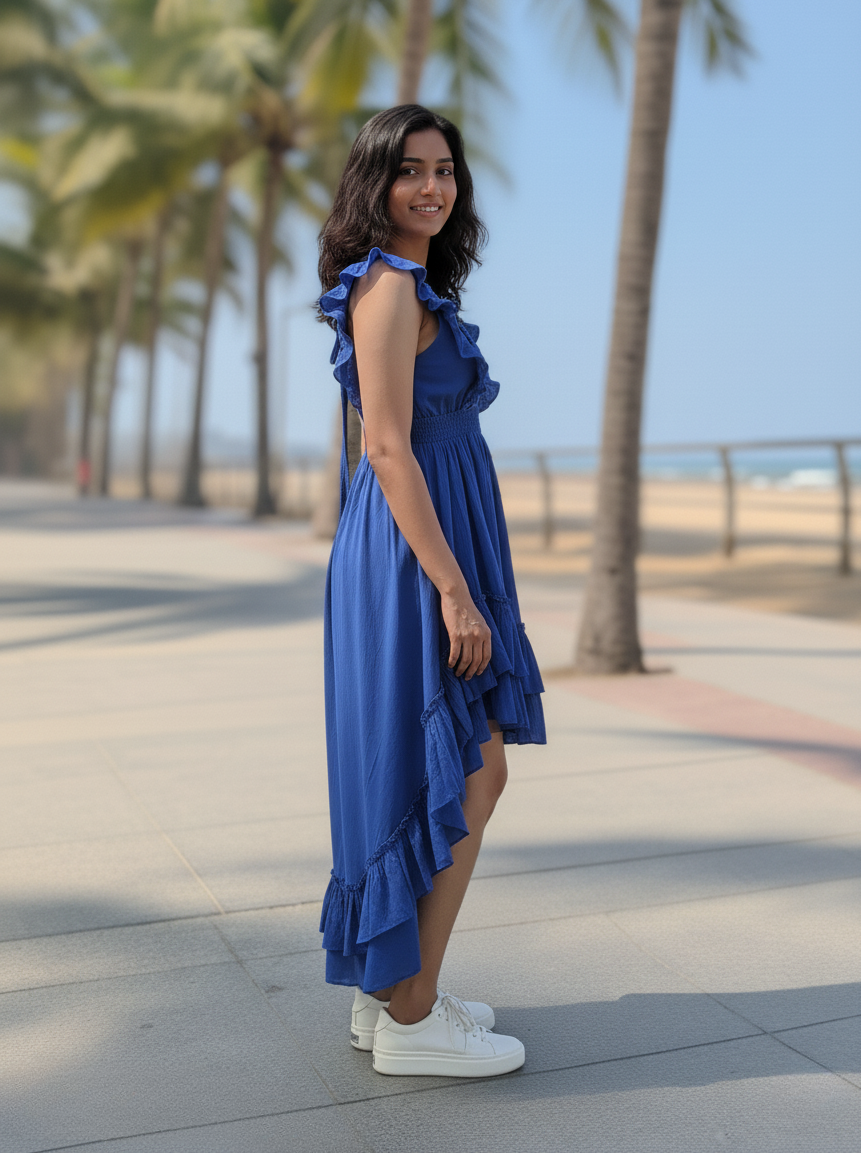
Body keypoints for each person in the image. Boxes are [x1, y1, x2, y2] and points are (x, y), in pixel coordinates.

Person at [317, 104, 546, 1078]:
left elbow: (372, 445)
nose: (432, 187)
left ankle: (393, 991)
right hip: (422, 554)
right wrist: (453, 590)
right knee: (469, 768)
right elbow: (384, 445)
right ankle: (413, 1015)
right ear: (376, 180)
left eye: (444, 169)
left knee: (431, 764)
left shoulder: (397, 285)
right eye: (410, 170)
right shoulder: (390, 288)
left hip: (416, 540)